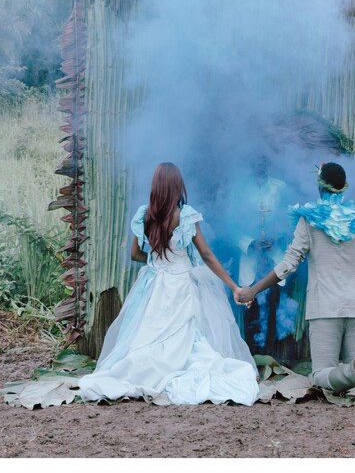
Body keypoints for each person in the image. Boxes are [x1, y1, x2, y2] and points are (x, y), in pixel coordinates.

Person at [77, 162, 259, 406]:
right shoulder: (184, 215)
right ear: (177, 186)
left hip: (154, 283)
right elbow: (206, 255)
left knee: (148, 332)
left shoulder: (145, 215)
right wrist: (233, 286)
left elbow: (134, 255)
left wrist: (155, 260)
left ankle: (144, 371)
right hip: (182, 282)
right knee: (189, 335)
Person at [237, 162, 355, 402]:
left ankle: (351, 371)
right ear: (343, 188)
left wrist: (253, 289)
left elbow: (289, 263)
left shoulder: (310, 220)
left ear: (320, 187)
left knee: (320, 376)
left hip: (325, 307)